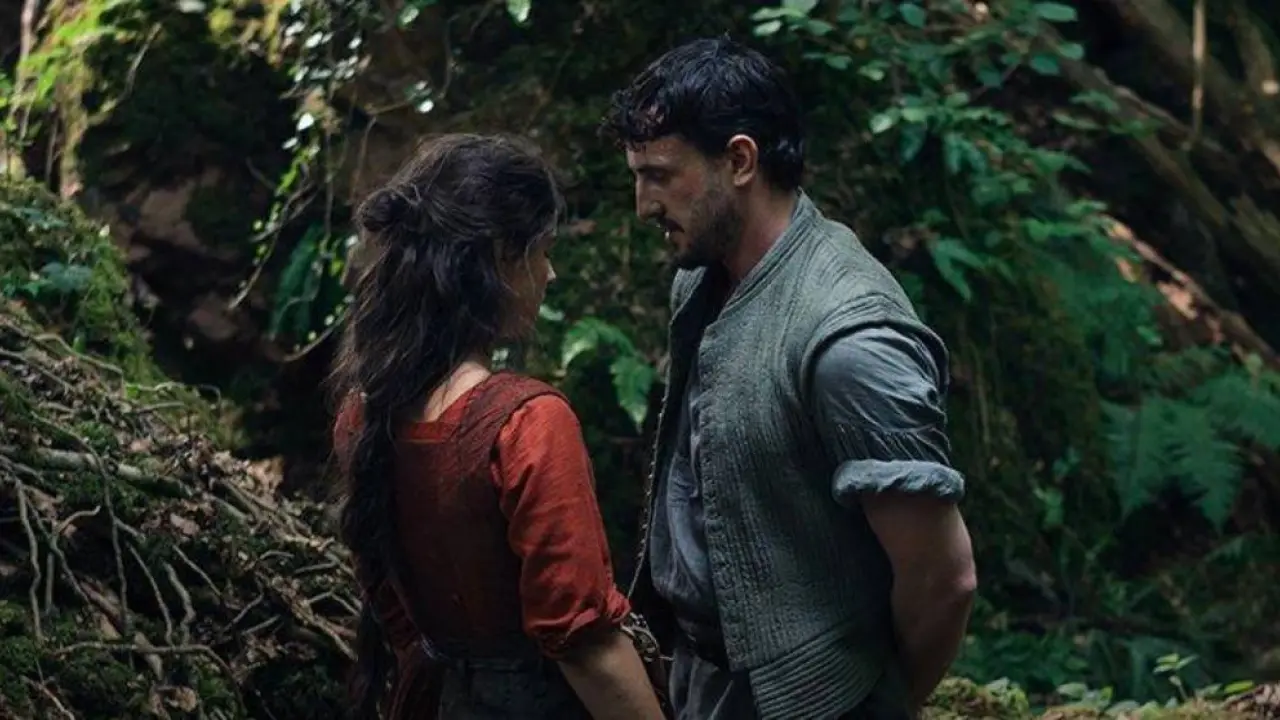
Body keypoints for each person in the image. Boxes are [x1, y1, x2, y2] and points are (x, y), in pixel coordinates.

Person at [601, 37, 978, 719]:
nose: (643, 205)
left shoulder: (849, 342)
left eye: (659, 175)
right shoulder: (703, 278)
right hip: (702, 677)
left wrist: (874, 706)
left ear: (740, 160)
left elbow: (944, 579)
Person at [328, 133, 667, 720]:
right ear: (501, 260)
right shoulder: (527, 424)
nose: (550, 273)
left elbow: (392, 606)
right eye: (542, 252)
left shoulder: (362, 416)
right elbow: (583, 641)